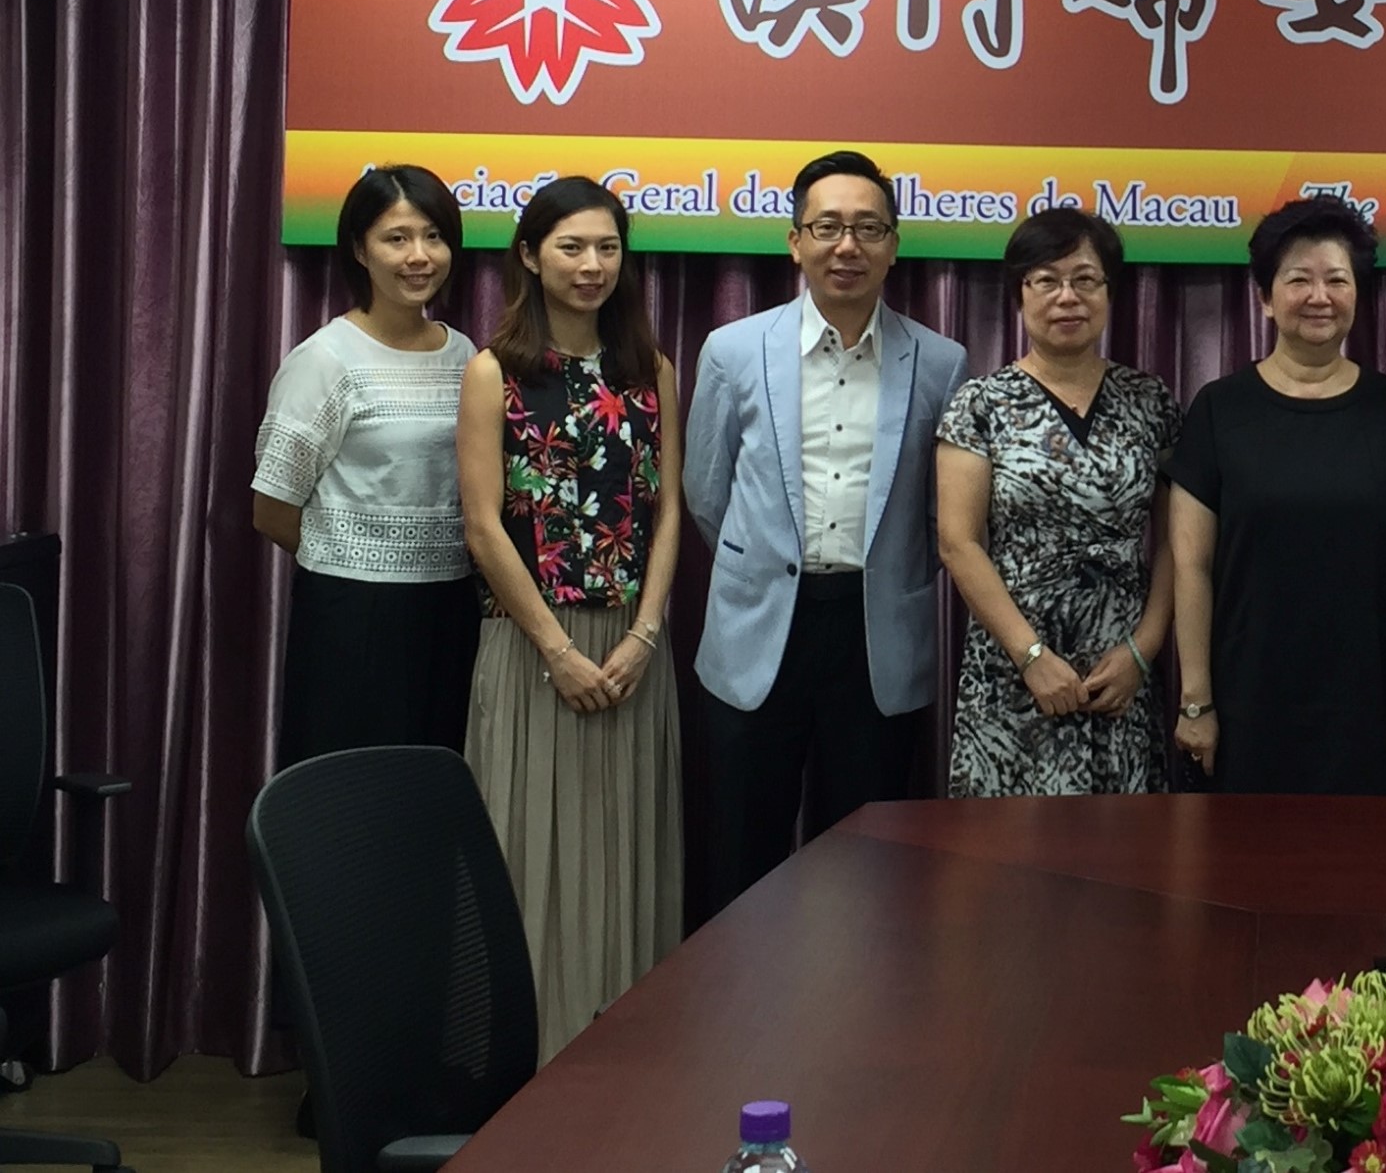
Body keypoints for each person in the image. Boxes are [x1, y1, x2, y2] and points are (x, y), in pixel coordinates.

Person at [685, 151, 968, 916]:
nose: (848, 246)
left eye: (869, 228)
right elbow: (706, 490)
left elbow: (942, 515)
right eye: (828, 227)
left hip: (876, 637)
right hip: (757, 630)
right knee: (744, 851)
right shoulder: (733, 350)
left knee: (867, 863)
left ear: (894, 245)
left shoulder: (941, 363)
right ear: (795, 241)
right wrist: (763, 564)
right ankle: (737, 990)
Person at [457, 176, 683, 1061]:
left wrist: (645, 635)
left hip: (630, 650)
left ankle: (623, 1061)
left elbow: (669, 511)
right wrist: (555, 649)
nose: (592, 265)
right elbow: (483, 527)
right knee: (529, 850)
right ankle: (529, 1062)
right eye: (571, 247)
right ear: (529, 255)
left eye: (607, 248)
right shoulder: (494, 372)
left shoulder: (652, 371)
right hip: (532, 648)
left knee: (624, 853)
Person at [1167, 197, 1386, 795]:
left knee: (1357, 853)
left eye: (1337, 280)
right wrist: (1196, 702)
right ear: (1265, 298)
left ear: (1358, 296)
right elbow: (1191, 565)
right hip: (1243, 701)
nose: (1319, 296)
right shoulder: (1219, 409)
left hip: (1364, 703)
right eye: (1298, 280)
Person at [936, 209, 1179, 796]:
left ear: (1109, 292)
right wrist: (1032, 657)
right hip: (1013, 672)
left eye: (1085, 279)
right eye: (1046, 280)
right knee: (1007, 848)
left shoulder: (1150, 401)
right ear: (1019, 293)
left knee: (1121, 845)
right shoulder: (981, 404)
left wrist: (1142, 651)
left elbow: (1181, 542)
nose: (1067, 297)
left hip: (1119, 674)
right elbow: (958, 542)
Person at [252, 164, 480, 763]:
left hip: (450, 608)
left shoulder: (465, 355)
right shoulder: (326, 359)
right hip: (352, 613)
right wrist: (356, 554)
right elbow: (271, 509)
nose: (419, 256)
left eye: (434, 236)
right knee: (349, 785)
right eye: (396, 238)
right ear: (360, 249)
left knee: (434, 778)